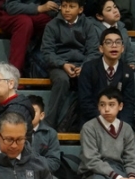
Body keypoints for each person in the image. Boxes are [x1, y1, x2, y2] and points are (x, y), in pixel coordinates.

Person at [40, 0, 100, 128]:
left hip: (82, 64)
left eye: (71, 7)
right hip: (58, 65)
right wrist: (63, 64)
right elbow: (47, 52)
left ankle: (85, 124)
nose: (67, 10)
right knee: (62, 80)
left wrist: (84, 66)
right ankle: (50, 124)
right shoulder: (52, 25)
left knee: (90, 78)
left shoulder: (88, 25)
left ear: (80, 9)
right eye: (64, 6)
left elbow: (94, 51)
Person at [85, 0, 135, 117]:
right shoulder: (93, 28)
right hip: (102, 66)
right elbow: (93, 52)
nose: (115, 11)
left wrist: (132, 63)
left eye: (115, 7)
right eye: (109, 10)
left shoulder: (123, 29)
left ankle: (132, 117)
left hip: (120, 67)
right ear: (99, 16)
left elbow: (129, 53)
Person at [77, 27, 135, 126]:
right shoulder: (89, 68)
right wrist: (105, 121)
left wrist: (119, 125)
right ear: (101, 48)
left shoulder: (127, 71)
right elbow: (85, 102)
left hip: (118, 122)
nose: (114, 46)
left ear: (122, 48)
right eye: (108, 42)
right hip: (93, 120)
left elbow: (129, 104)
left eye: (118, 42)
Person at [28, 95, 66, 179]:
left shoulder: (50, 133)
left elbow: (54, 162)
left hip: (44, 175)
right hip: (20, 172)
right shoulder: (17, 130)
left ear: (42, 115)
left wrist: (34, 163)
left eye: (33, 112)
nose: (29, 115)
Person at [0, 0, 58, 72]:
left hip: (33, 13)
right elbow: (11, 7)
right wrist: (38, 8)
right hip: (8, 13)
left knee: (54, 22)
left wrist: (52, 9)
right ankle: (14, 73)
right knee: (24, 23)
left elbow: (57, 5)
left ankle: (39, 63)